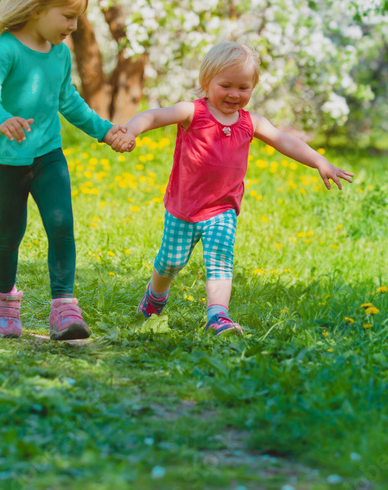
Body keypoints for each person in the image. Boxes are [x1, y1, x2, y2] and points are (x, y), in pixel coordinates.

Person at [118, 41, 354, 335]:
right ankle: (155, 297)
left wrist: (319, 161)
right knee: (170, 262)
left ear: (253, 87)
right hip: (184, 208)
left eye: (243, 87)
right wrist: (131, 130)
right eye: (226, 86)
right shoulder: (192, 112)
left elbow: (285, 140)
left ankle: (218, 316)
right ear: (207, 83)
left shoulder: (251, 122)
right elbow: (154, 115)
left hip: (222, 209)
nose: (234, 94)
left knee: (220, 261)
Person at [0, 0, 133, 341]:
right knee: (10, 232)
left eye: (77, 18)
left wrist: (104, 131)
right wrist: (1, 119)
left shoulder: (60, 53)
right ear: (37, 7)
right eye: (68, 16)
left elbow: (68, 100)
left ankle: (64, 306)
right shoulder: (4, 49)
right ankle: (4, 299)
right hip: (4, 160)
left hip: (48, 155)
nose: (74, 26)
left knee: (61, 225)